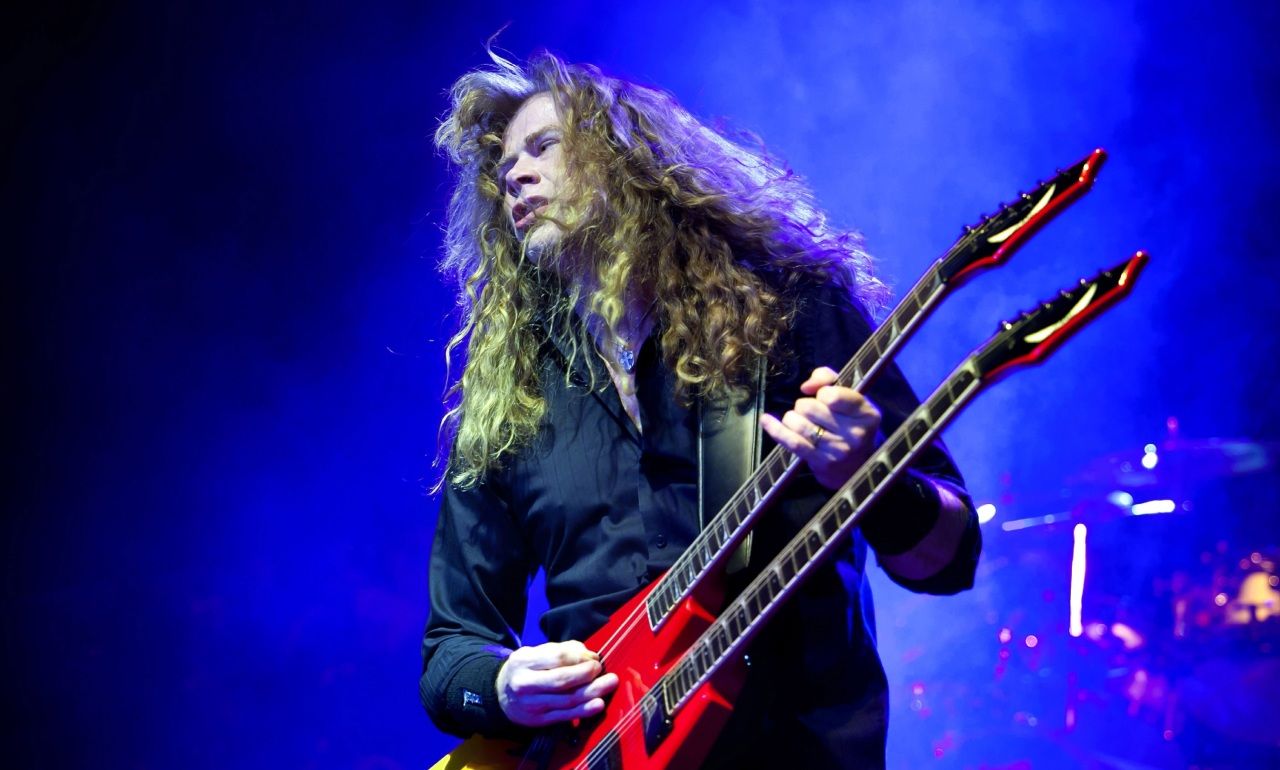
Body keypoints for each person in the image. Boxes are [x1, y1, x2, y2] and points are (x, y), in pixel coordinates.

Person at [420, 50, 981, 769]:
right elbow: (449, 652)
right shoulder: (511, 395)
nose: (515, 177)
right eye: (504, 170)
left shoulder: (790, 311)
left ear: (625, 157)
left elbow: (948, 558)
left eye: (544, 146)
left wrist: (869, 475)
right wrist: (503, 686)